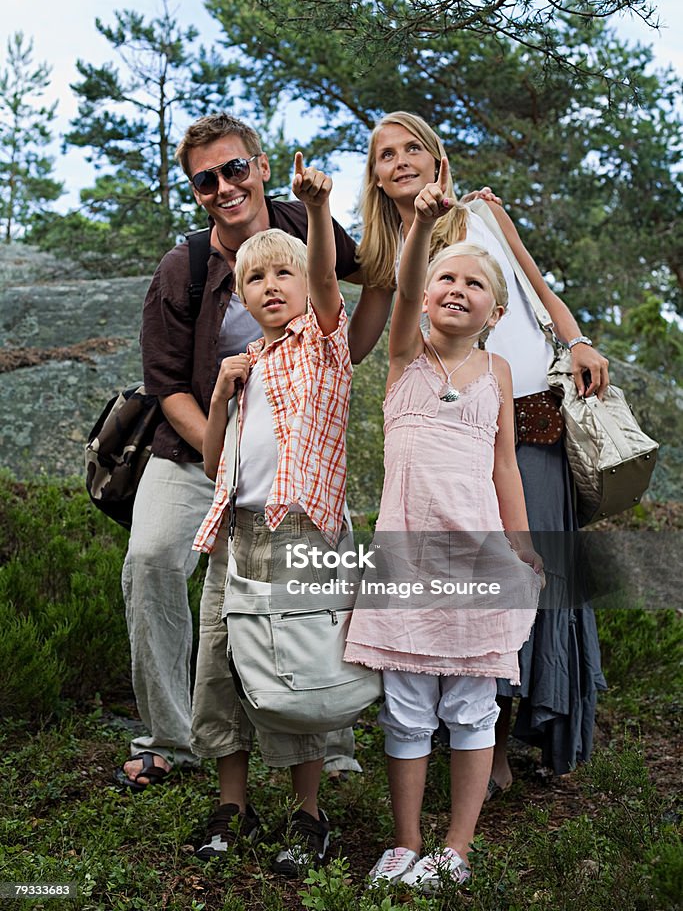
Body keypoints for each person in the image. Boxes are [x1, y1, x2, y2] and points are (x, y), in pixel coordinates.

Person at [350, 111, 608, 795]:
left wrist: (576, 339)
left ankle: (528, 730)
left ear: (436, 159)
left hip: (531, 415)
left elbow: (534, 286)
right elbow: (359, 346)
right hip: (455, 433)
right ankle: (477, 742)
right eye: (384, 154)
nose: (400, 160)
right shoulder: (389, 258)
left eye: (412, 148)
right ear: (374, 177)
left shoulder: (479, 214)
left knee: (529, 566)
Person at [115, 115, 361, 799]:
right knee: (151, 561)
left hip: (291, 456)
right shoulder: (183, 266)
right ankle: (172, 736)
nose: (223, 186)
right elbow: (165, 386)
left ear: (258, 164)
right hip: (198, 446)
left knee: (317, 574)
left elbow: (369, 282)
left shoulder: (305, 228)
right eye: (205, 179)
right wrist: (219, 453)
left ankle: (328, 734)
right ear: (193, 189)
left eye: (234, 169)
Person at [344, 165, 544, 891]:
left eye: (474, 285)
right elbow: (397, 290)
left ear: (494, 311)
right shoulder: (404, 360)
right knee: (404, 709)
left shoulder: (496, 374)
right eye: (444, 280)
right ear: (425, 296)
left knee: (468, 705)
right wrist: (425, 225)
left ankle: (455, 846)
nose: (456, 290)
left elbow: (505, 469)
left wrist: (522, 545)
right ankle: (403, 843)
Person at [192, 153, 353, 876]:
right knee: (220, 663)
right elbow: (211, 465)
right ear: (242, 298)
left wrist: (316, 211)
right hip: (235, 530)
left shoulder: (321, 345)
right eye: (254, 279)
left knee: (295, 670)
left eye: (280, 273)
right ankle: (233, 803)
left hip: (298, 532)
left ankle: (307, 811)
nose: (269, 286)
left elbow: (324, 279)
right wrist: (224, 392)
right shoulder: (248, 362)